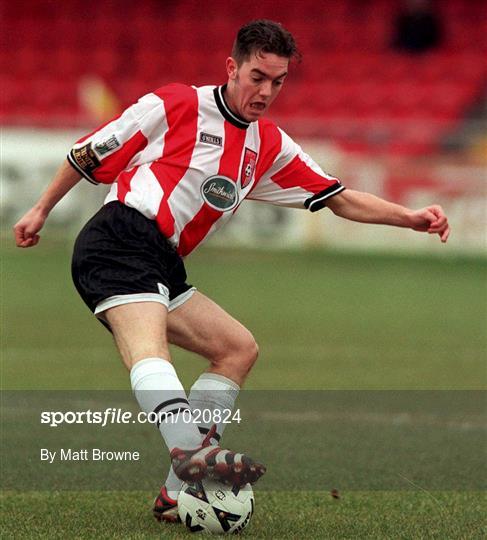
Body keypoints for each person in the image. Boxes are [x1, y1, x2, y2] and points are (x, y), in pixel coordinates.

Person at [13, 19, 450, 524]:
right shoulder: (176, 104)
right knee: (150, 350)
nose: (266, 91)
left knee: (236, 348)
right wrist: (41, 208)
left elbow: (341, 198)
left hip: (164, 262)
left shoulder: (268, 145)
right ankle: (198, 459)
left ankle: (177, 493)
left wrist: (410, 218)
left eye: (278, 81)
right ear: (232, 67)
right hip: (117, 241)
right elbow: (89, 151)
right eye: (257, 77)